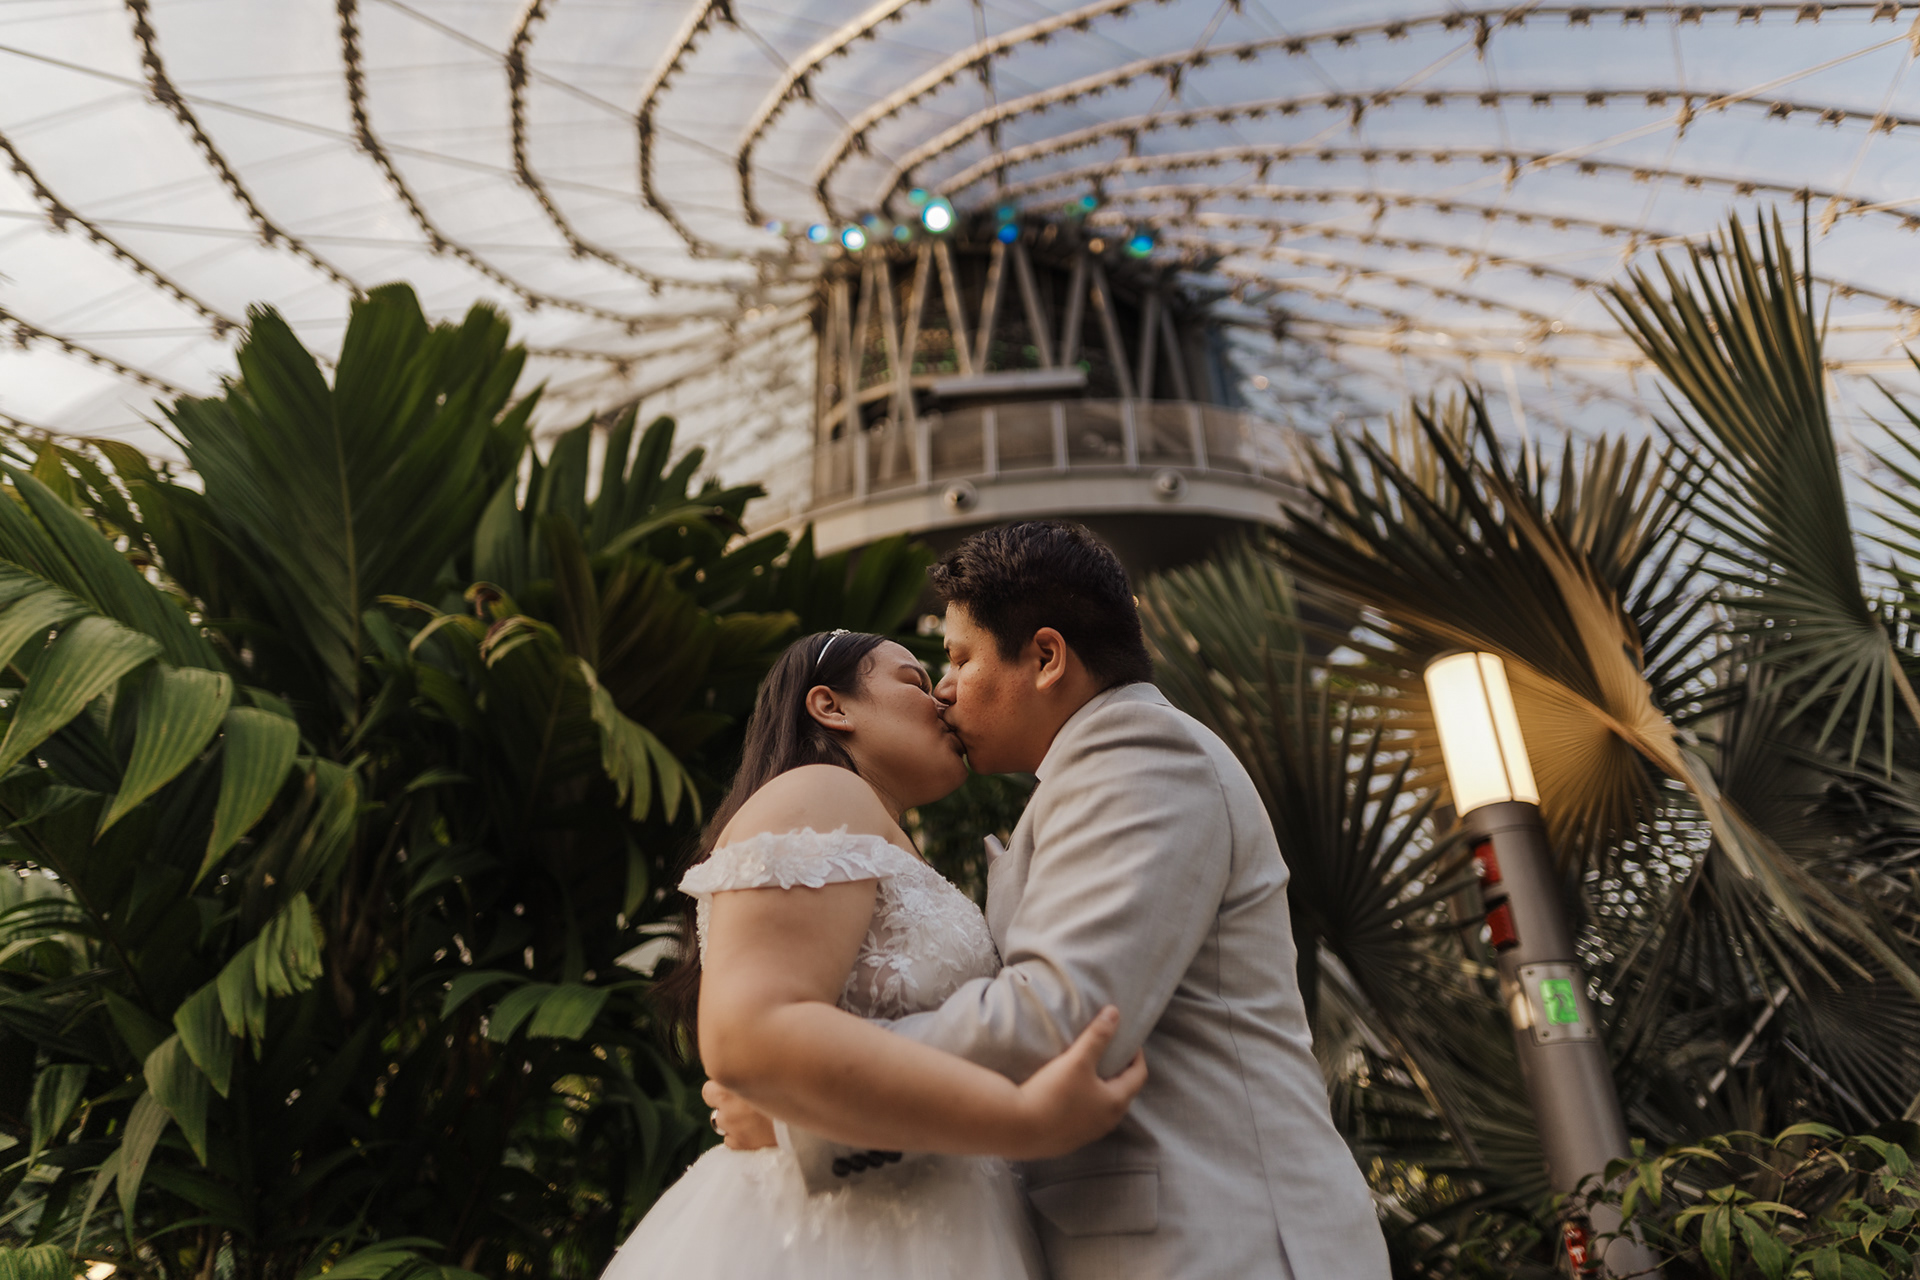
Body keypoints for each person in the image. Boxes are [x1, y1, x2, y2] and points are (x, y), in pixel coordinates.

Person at [714, 521, 1392, 1280]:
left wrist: (804, 1105)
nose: (944, 690)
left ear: (1045, 658)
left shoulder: (1141, 751)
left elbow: (1058, 1015)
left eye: (960, 659)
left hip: (1222, 1242)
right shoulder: (1077, 780)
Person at [599, 626, 1147, 1280]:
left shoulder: (879, 832)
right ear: (830, 706)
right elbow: (746, 1032)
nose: (944, 698)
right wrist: (1020, 1119)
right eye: (916, 681)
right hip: (831, 1240)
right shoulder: (821, 791)